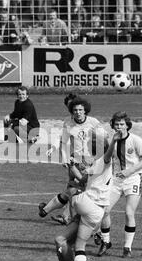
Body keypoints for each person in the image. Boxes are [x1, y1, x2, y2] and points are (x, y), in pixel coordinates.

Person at [52, 129, 114, 261]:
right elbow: (83, 180)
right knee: (60, 242)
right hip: (90, 210)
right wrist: (72, 166)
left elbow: (109, 153)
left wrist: (114, 139)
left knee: (72, 195)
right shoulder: (95, 164)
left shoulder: (105, 160)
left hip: (93, 209)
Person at [39, 96, 105, 226]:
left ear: (85, 110)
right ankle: (72, 218)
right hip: (76, 163)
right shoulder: (68, 123)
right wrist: (64, 159)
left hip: (92, 162)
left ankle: (47, 210)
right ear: (71, 111)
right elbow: (63, 142)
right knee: (77, 189)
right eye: (75, 110)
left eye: (80, 110)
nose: (78, 112)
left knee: (73, 189)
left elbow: (104, 139)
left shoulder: (93, 122)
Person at [94, 111, 142, 258]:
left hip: (134, 178)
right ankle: (106, 242)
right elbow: (106, 159)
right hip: (116, 180)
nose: (119, 127)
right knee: (104, 210)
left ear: (127, 125)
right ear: (113, 126)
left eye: (122, 124)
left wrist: (129, 171)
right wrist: (113, 141)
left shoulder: (136, 140)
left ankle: (127, 248)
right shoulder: (113, 140)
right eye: (116, 124)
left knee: (129, 212)